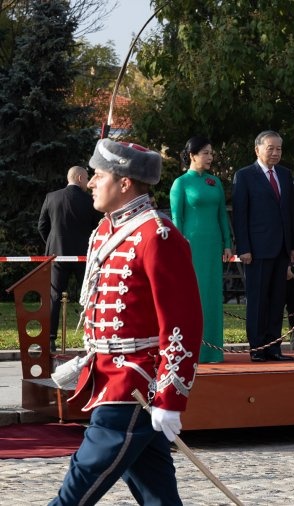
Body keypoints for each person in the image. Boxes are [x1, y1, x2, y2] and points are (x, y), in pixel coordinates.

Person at [50, 139, 202, 505]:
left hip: (135, 384)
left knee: (80, 481)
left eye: (98, 175)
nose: (89, 182)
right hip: (108, 377)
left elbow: (182, 322)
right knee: (158, 495)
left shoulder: (158, 235)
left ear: (125, 182)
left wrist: (170, 395)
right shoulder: (105, 230)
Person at [232, 131, 294, 362]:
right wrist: (244, 248)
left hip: (281, 249)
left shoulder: (284, 174)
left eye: (279, 149)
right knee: (258, 301)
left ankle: (273, 347)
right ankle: (257, 348)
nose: (276, 153)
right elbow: (240, 215)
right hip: (257, 249)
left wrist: (293, 246)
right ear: (257, 149)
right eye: (271, 148)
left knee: (277, 300)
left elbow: (290, 213)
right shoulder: (245, 176)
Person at [170, 136, 233, 364]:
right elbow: (177, 217)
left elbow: (222, 216)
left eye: (211, 153)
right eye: (205, 153)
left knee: (212, 295)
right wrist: (178, 249)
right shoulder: (180, 183)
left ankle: (213, 350)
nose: (210, 157)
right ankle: (191, 349)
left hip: (213, 246)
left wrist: (227, 243)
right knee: (193, 296)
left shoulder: (214, 182)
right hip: (191, 247)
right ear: (192, 155)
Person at [38, 166, 101, 350]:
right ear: (80, 177)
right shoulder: (90, 201)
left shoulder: (52, 197)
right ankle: (92, 337)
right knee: (89, 296)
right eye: (87, 177)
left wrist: (52, 243)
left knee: (54, 296)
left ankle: (50, 339)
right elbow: (97, 228)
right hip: (83, 256)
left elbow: (42, 226)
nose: (88, 182)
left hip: (57, 255)